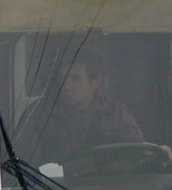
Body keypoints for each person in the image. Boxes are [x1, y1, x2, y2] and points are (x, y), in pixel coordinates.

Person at [16, 55, 145, 169]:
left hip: (108, 189)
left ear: (96, 81)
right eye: (62, 79)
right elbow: (24, 163)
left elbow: (135, 152)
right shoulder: (39, 113)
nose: (66, 86)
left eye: (75, 78)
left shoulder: (116, 111)